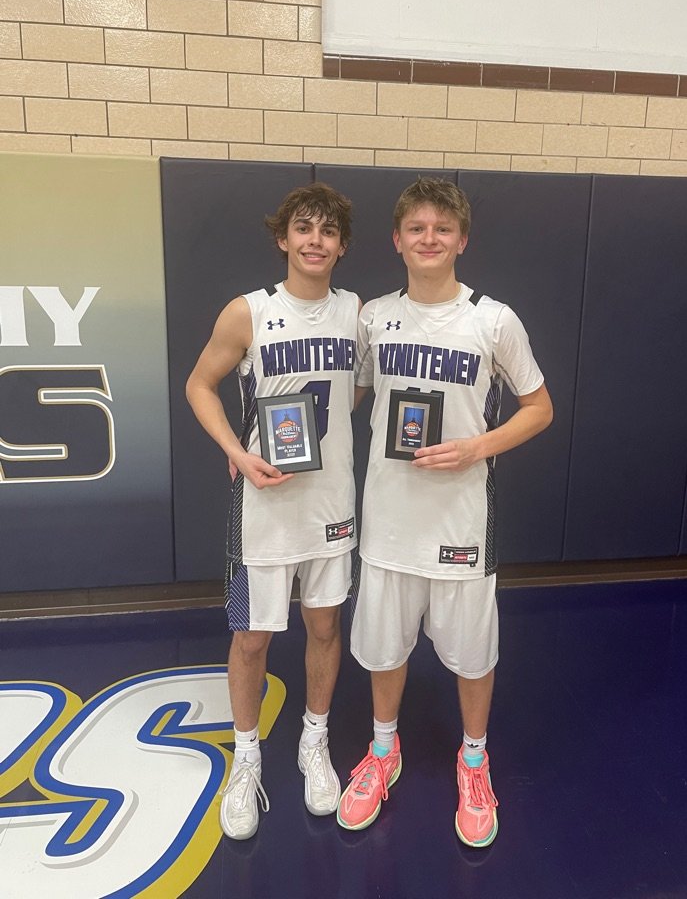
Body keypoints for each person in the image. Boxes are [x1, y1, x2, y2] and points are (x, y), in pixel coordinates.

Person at [337, 177, 553, 848]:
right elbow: (351, 400)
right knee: (382, 647)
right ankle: (382, 751)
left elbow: (539, 409)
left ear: (462, 239)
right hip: (389, 518)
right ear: (397, 240)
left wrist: (475, 448)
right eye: (416, 228)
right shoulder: (372, 316)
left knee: (471, 654)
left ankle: (474, 759)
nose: (428, 239)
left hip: (460, 522)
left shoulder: (493, 318)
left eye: (442, 228)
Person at [186, 183, 359, 840]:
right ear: (283, 238)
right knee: (250, 636)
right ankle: (246, 753)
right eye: (303, 228)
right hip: (259, 510)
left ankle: (314, 742)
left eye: (328, 231)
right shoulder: (248, 312)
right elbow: (199, 384)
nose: (315, 240)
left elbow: (357, 393)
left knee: (322, 627)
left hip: (331, 507)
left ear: (342, 246)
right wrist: (235, 446)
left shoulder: (355, 314)